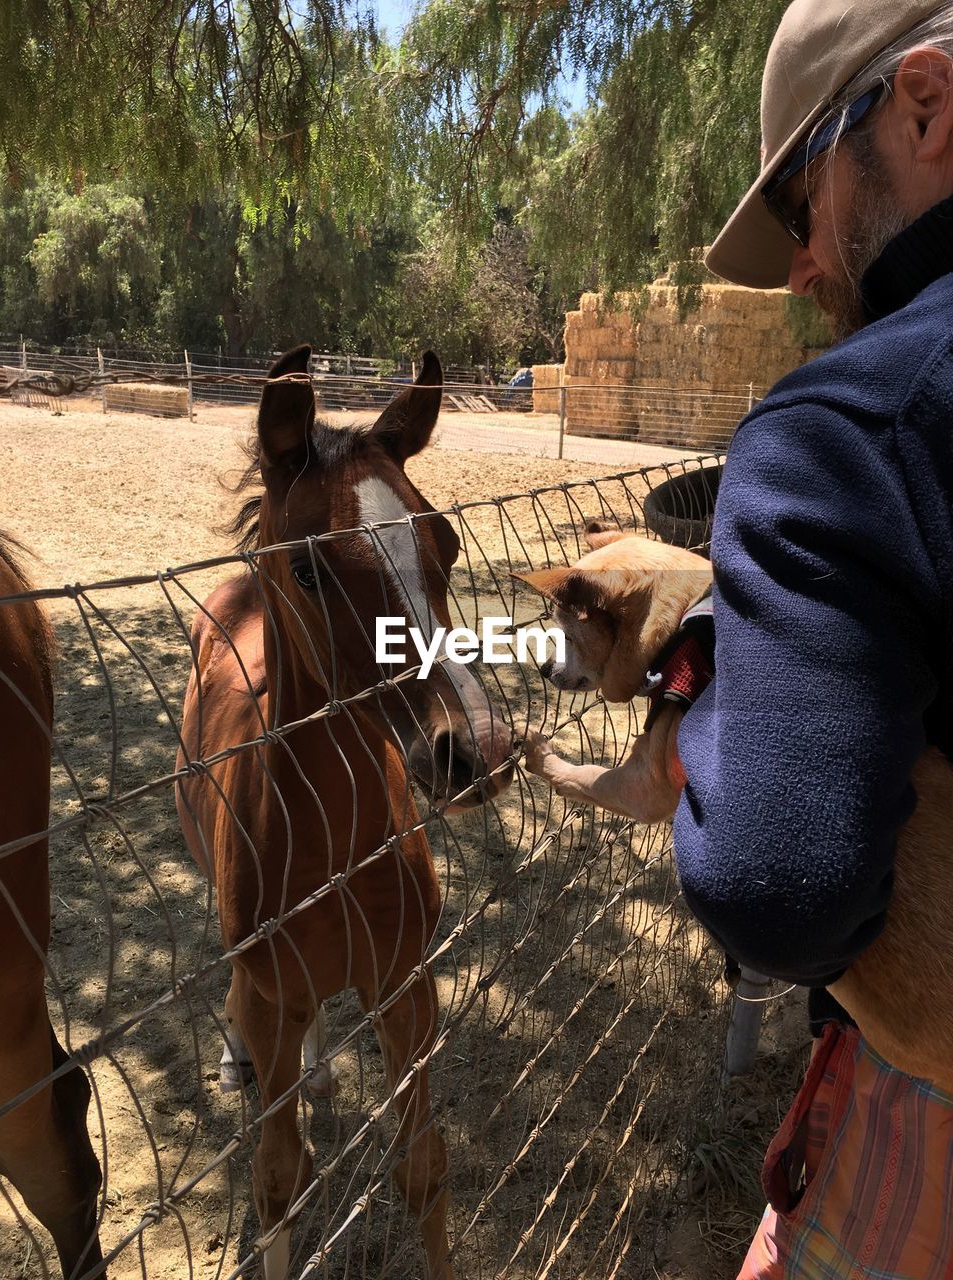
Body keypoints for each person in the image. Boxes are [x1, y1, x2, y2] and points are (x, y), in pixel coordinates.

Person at [673, 0, 953, 1275]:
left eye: (801, 205)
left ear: (925, 106)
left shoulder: (841, 429)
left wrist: (708, 723)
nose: (801, 262)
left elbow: (777, 887)